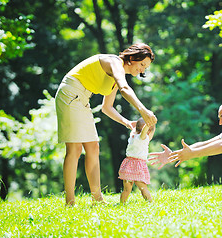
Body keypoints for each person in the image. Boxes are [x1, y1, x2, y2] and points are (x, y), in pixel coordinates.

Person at [55, 43, 157, 206]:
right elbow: (125, 88)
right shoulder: (114, 62)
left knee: (93, 147)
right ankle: (70, 202)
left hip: (82, 99)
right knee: (74, 148)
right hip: (70, 94)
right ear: (132, 58)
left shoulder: (117, 77)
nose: (143, 70)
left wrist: (126, 122)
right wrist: (143, 110)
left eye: (146, 67)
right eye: (142, 64)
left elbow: (106, 107)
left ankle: (97, 199)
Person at [118, 118, 155, 203]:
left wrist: (152, 124)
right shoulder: (142, 137)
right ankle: (150, 202)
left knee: (126, 189)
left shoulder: (133, 135)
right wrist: (150, 123)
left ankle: (122, 204)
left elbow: (150, 131)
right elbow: (146, 130)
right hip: (138, 166)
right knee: (143, 187)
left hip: (128, 164)